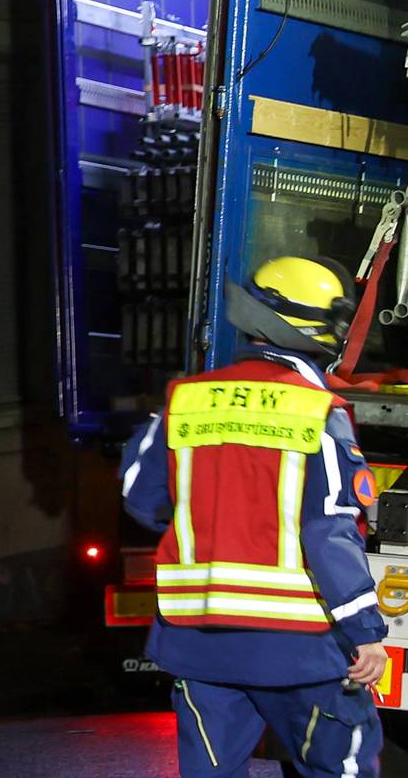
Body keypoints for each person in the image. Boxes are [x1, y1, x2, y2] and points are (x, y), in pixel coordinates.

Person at [119, 255, 387, 777]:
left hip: (198, 641)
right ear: (325, 330)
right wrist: (365, 631)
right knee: (341, 765)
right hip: (298, 649)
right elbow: (328, 533)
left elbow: (140, 497)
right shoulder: (317, 411)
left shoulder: (184, 401)